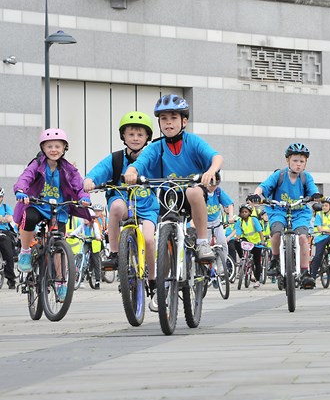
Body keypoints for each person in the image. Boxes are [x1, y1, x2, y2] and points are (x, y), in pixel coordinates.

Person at [123, 95, 224, 263]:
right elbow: (140, 162)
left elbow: (217, 158)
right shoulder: (156, 146)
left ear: (184, 122)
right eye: (164, 118)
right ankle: (166, 281)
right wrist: (131, 171)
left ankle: (202, 242)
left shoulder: (192, 141)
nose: (168, 122)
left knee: (193, 191)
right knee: (164, 236)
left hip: (192, 196)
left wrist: (211, 171)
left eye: (173, 118)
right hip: (168, 195)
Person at [84, 111, 160, 304]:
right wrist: (90, 181)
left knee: (150, 240)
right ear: (123, 136)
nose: (135, 138)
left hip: (147, 207)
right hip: (124, 203)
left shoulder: (153, 158)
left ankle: (152, 278)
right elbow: (97, 172)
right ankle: (115, 253)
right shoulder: (116, 159)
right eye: (131, 134)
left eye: (140, 135)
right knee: (116, 207)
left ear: (147, 138)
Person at [14, 129, 92, 301]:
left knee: (58, 246)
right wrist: (20, 190)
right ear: (43, 148)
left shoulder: (69, 169)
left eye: (58, 146)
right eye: (49, 146)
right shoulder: (37, 164)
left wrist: (84, 197)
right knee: (30, 217)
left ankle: (60, 282)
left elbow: (79, 187)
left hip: (59, 209)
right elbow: (25, 178)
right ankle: (25, 251)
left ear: (65, 148)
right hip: (39, 205)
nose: (54, 149)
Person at [249, 143, 320, 289]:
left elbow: (314, 191)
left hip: (299, 212)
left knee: (302, 238)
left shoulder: (306, 177)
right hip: (278, 211)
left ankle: (306, 272)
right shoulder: (279, 175)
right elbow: (263, 186)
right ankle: (275, 260)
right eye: (295, 160)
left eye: (301, 161)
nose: (298, 164)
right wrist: (256, 195)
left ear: (306, 163)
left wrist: (315, 196)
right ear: (288, 160)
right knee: (276, 232)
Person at [69, 209, 104, 289]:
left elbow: (97, 233)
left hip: (94, 243)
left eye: (86, 218)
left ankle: (97, 281)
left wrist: (98, 237)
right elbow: (76, 231)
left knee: (95, 261)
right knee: (81, 255)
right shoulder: (82, 226)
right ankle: (80, 277)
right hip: (86, 242)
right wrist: (70, 235)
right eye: (84, 218)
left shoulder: (94, 225)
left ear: (91, 219)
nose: (84, 219)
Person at [232, 203, 265, 287]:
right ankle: (243, 257)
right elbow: (239, 233)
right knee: (236, 242)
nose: (244, 213)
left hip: (256, 243)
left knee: (257, 261)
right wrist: (237, 238)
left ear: (249, 213)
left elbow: (260, 231)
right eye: (242, 212)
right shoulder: (240, 221)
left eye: (246, 212)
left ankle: (257, 280)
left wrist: (262, 241)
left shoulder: (254, 220)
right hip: (247, 241)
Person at [310, 197, 330, 282]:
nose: (324, 207)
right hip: (320, 238)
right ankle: (313, 276)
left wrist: (327, 230)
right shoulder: (319, 215)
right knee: (317, 256)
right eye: (323, 206)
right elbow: (319, 229)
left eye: (326, 206)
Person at [0, 188, 18, 289]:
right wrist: (2, 219)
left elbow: (9, 218)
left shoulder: (6, 207)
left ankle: (11, 279)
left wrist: (3, 219)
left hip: (3, 232)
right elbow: (4, 219)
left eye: (0, 197)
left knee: (8, 252)